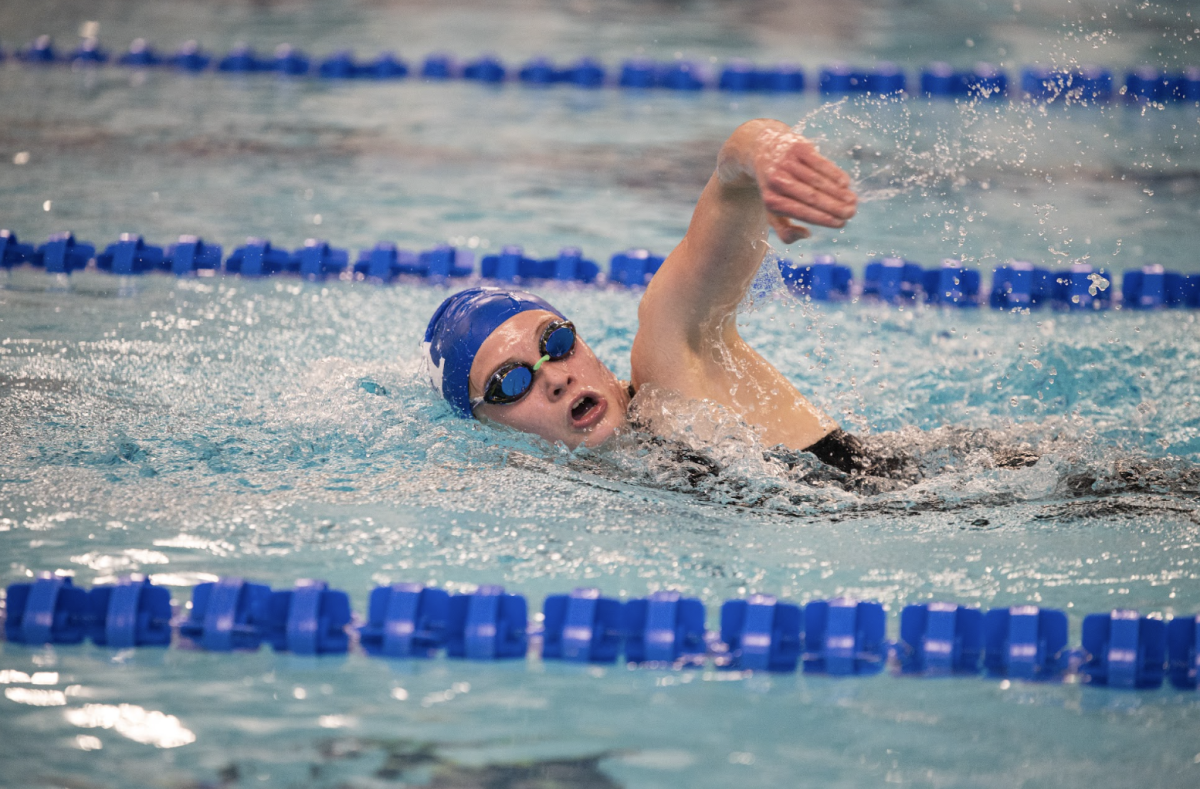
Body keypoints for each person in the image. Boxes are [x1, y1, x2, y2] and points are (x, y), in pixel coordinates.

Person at [423, 118, 889, 476]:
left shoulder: (671, 377)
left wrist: (764, 151)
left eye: (557, 343)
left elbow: (732, 180)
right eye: (511, 382)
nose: (556, 378)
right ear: (485, 429)